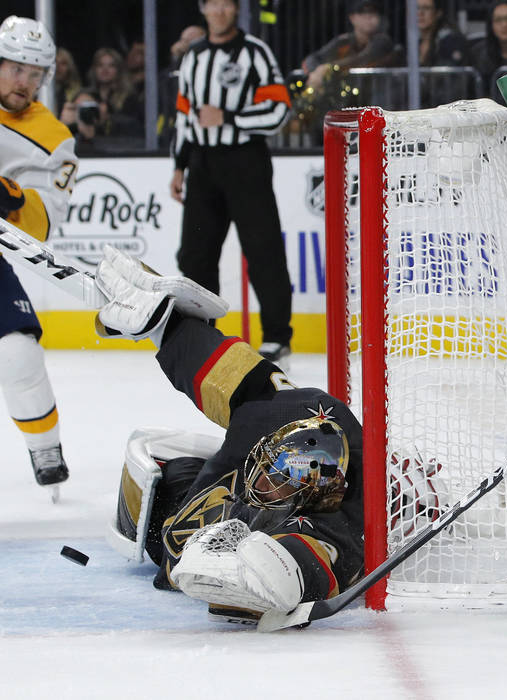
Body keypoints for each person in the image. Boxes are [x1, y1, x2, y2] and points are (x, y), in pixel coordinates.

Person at [93, 245, 366, 624]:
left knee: (265, 398)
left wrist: (169, 330)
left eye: (282, 477)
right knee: (266, 397)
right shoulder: (261, 476)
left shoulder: (186, 530)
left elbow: (289, 563)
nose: (269, 483)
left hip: (314, 448)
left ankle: (166, 326)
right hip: (333, 451)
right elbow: (320, 555)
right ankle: (168, 327)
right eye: (274, 473)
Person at [171, 0, 294, 366]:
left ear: (236, 9)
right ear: (203, 8)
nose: (220, 10)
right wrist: (179, 165)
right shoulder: (193, 56)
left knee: (263, 250)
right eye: (214, 3)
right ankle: (200, 334)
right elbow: (183, 116)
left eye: (227, 3)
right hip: (203, 165)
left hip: (246, 163)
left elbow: (280, 109)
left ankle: (276, 338)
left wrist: (229, 116)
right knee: (195, 253)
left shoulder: (255, 52)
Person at [0, 16, 78, 496]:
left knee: (18, 352)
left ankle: (45, 449)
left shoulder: (54, 138)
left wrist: (11, 196)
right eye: (15, 68)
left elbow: (46, 219)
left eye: (35, 73)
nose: (24, 82)